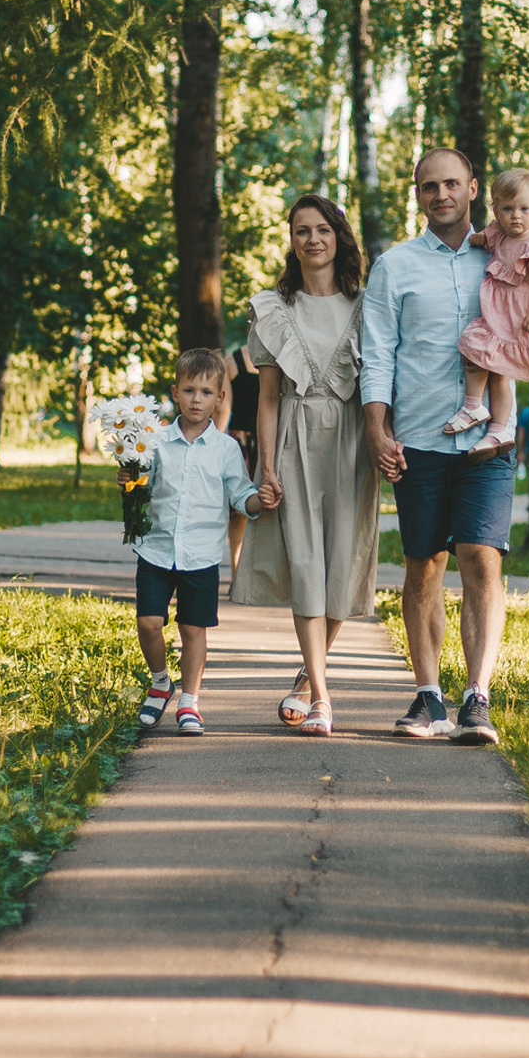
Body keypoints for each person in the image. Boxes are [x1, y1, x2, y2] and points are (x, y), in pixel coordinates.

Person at [361, 147, 514, 747]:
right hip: (418, 438)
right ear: (418, 194)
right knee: (424, 563)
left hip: (487, 441)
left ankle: (478, 696)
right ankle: (428, 696)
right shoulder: (393, 267)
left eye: (452, 184)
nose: (441, 194)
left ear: (473, 188)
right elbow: (376, 354)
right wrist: (378, 426)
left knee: (482, 557)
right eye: (430, 186)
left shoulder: (502, 259)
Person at [233, 195, 378, 737]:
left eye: (323, 229)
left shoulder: (368, 305)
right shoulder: (275, 308)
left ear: (339, 236)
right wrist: (265, 465)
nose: (313, 239)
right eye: (301, 231)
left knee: (343, 560)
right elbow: (267, 399)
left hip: (350, 444)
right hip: (294, 441)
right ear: (291, 241)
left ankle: (304, 675)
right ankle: (321, 695)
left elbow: (380, 383)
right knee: (306, 563)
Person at [133, 349, 271, 735]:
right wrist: (128, 479)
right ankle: (161, 683)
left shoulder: (227, 449)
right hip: (156, 550)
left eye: (206, 392)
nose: (197, 399)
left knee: (193, 629)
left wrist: (259, 500)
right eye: (189, 390)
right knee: (148, 623)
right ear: (175, 392)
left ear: (220, 398)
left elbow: (239, 493)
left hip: (201, 556)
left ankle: (190, 702)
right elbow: (140, 484)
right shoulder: (156, 440)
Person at [439, 168, 529, 455]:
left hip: (519, 320)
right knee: (474, 351)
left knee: (500, 376)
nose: (515, 215)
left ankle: (497, 430)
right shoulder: (499, 236)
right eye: (507, 209)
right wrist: (480, 238)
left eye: (523, 209)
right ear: (496, 210)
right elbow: (485, 238)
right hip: (497, 317)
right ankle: (474, 406)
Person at [221, 340, 260, 591]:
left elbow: (224, 408)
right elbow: (223, 407)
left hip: (256, 441)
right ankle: (238, 573)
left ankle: (239, 574)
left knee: (240, 513)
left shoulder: (232, 360)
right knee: (239, 511)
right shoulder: (230, 361)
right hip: (248, 442)